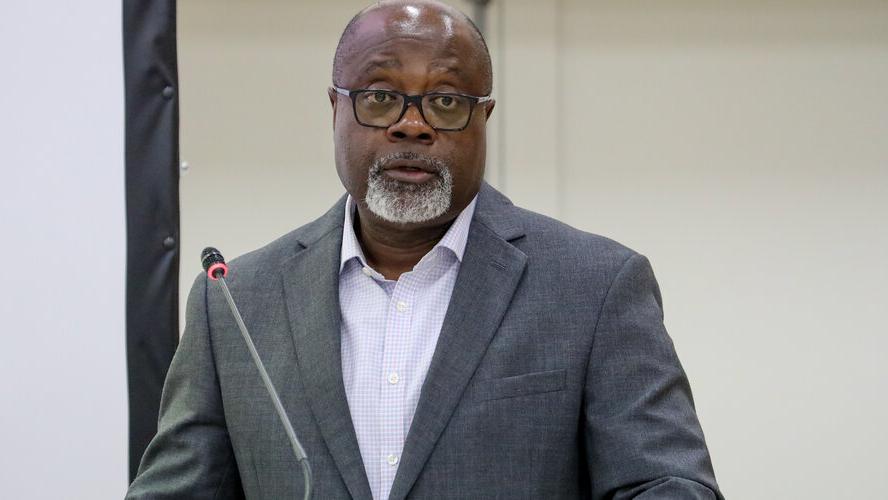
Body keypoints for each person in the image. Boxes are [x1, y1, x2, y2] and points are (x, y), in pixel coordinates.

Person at [127, 1, 722, 498]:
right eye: (380, 96)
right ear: (335, 107)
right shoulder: (236, 303)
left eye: (446, 101)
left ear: (485, 117)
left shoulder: (594, 287)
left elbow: (667, 486)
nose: (412, 125)